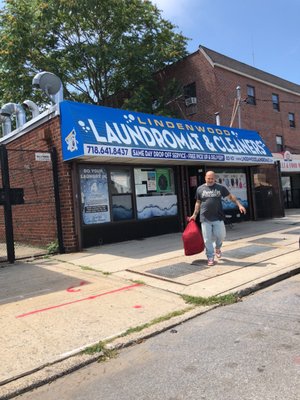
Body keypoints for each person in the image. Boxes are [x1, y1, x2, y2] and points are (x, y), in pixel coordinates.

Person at [190, 170, 246, 266]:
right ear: (205, 178)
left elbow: (231, 197)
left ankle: (217, 247)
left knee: (221, 235)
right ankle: (210, 257)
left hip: (218, 217)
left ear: (214, 178)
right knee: (207, 239)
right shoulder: (200, 189)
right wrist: (194, 215)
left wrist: (239, 205)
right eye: (208, 178)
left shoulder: (220, 187)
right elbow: (198, 202)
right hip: (205, 217)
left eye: (212, 178)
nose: (210, 180)